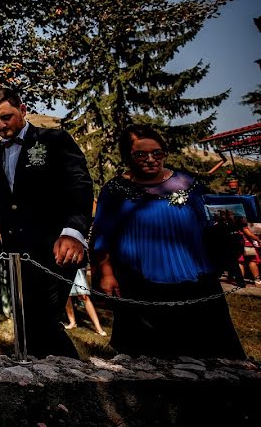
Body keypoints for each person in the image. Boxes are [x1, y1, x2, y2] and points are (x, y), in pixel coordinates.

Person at [92, 124, 245, 359]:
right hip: (139, 283)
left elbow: (209, 222)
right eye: (140, 154)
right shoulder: (115, 190)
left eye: (157, 153)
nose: (151, 159)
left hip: (195, 280)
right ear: (127, 157)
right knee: (148, 357)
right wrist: (106, 273)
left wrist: (228, 223)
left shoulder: (187, 184)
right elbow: (102, 235)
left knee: (210, 354)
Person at [0, 87, 92, 358]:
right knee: (26, 322)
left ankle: (76, 380)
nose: (1, 126)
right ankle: (36, 381)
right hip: (16, 253)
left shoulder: (54, 140)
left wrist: (73, 232)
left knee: (45, 321)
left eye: (7, 117)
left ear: (23, 110)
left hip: (56, 249)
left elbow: (79, 184)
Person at [63, 268, 107, 336]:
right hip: (63, 268)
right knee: (66, 295)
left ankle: (98, 328)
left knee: (84, 296)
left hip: (76, 267)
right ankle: (72, 322)